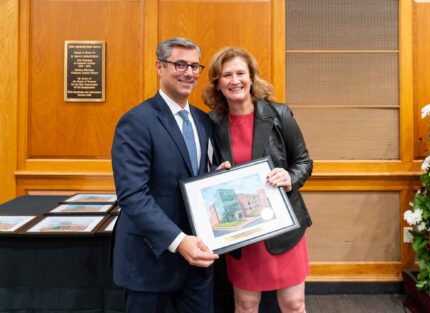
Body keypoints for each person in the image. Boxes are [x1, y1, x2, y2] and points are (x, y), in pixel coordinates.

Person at [111, 37, 219, 313]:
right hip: (150, 259)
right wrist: (179, 241)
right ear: (160, 67)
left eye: (195, 66)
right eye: (179, 64)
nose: (189, 73)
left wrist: (216, 179)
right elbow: (133, 195)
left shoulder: (203, 120)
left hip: (198, 261)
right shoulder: (136, 121)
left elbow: (195, 179)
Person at [202, 47, 313, 313]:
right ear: (218, 83)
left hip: (283, 227)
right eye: (226, 75)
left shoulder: (279, 114)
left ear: (252, 77)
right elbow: (202, 172)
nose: (234, 80)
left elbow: (304, 162)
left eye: (240, 72)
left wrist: (289, 176)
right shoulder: (210, 123)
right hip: (241, 231)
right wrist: (213, 177)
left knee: (294, 304)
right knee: (245, 304)